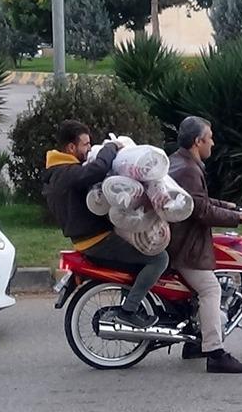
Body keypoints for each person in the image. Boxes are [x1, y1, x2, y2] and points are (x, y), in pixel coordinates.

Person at [43, 120, 169, 329]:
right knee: (158, 258)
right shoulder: (65, 173)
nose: (89, 149)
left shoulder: (61, 171)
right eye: (85, 144)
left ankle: (133, 303)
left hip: (91, 237)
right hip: (96, 240)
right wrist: (112, 147)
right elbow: (98, 169)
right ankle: (129, 310)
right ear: (71, 148)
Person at [167, 116, 242, 374]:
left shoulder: (180, 160)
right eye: (210, 138)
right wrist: (236, 217)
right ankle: (215, 352)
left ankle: (195, 342)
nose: (213, 143)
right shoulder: (188, 170)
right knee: (211, 290)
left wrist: (231, 207)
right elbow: (201, 211)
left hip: (181, 239)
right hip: (185, 247)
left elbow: (199, 201)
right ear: (198, 141)